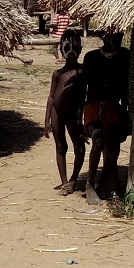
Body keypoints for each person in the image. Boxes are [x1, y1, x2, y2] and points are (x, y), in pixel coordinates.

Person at [79, 32, 132, 194]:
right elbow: (82, 89)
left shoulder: (125, 56)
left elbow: (127, 87)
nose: (114, 40)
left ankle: (100, 184)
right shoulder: (91, 58)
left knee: (114, 144)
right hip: (93, 108)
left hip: (115, 109)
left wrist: (127, 111)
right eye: (110, 36)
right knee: (99, 139)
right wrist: (78, 117)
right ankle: (90, 183)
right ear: (103, 37)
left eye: (118, 36)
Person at [43, 31, 88, 192]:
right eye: (67, 47)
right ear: (61, 49)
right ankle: (64, 181)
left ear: (80, 49)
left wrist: (81, 120)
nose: (71, 52)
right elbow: (51, 97)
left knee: (79, 147)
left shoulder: (83, 72)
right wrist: (47, 119)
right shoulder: (57, 73)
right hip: (57, 113)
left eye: (74, 48)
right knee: (61, 147)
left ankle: (74, 179)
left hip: (73, 115)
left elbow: (84, 96)